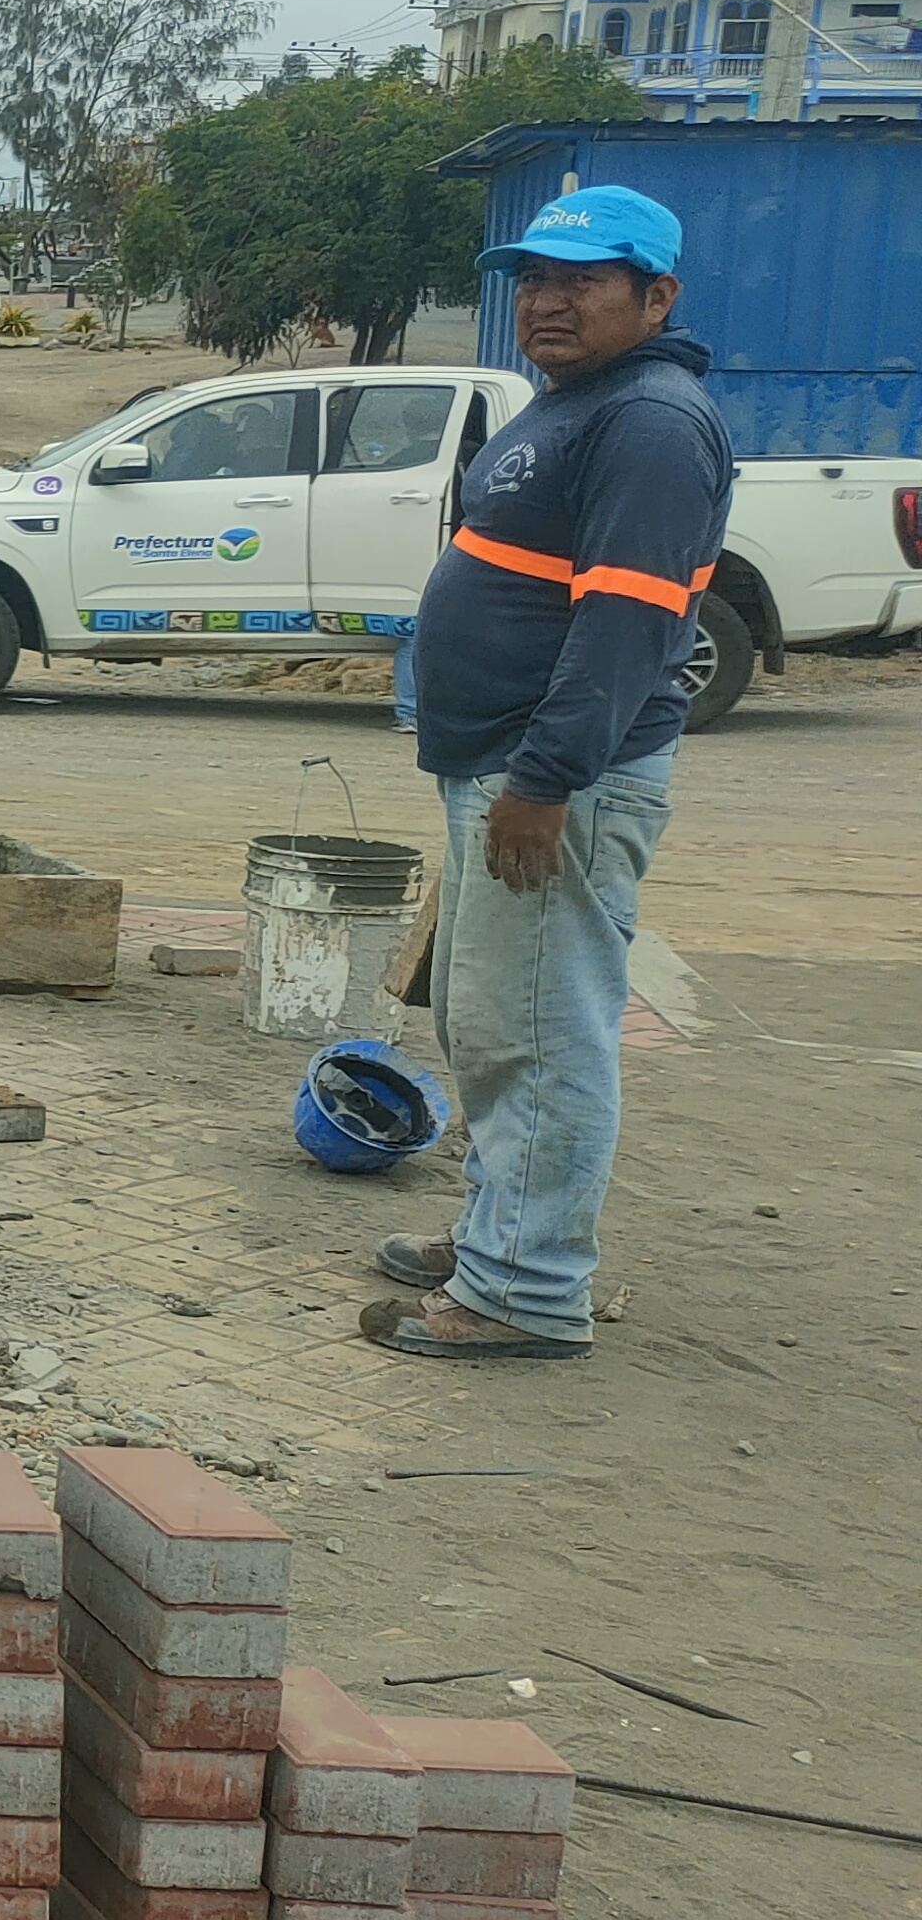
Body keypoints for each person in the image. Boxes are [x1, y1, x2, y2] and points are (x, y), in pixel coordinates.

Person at [362, 185, 730, 1364]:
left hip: (555, 777)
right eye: (534, 280)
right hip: (506, 763)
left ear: (656, 297)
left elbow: (626, 625)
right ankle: (499, 1233)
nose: (549, 302)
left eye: (583, 281)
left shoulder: (652, 424)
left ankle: (524, 1289)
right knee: (492, 1019)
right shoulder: (580, 401)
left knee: (541, 1029)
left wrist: (546, 778)